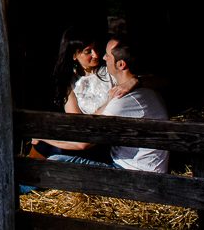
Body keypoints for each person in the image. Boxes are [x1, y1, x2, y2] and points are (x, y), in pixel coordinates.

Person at [33, 36, 170, 173]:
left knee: (56, 158)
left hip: (107, 142)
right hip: (92, 136)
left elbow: (161, 81)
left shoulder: (112, 72)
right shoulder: (70, 84)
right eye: (88, 51)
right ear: (74, 55)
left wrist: (135, 81)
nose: (97, 55)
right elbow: (77, 126)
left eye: (96, 49)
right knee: (46, 148)